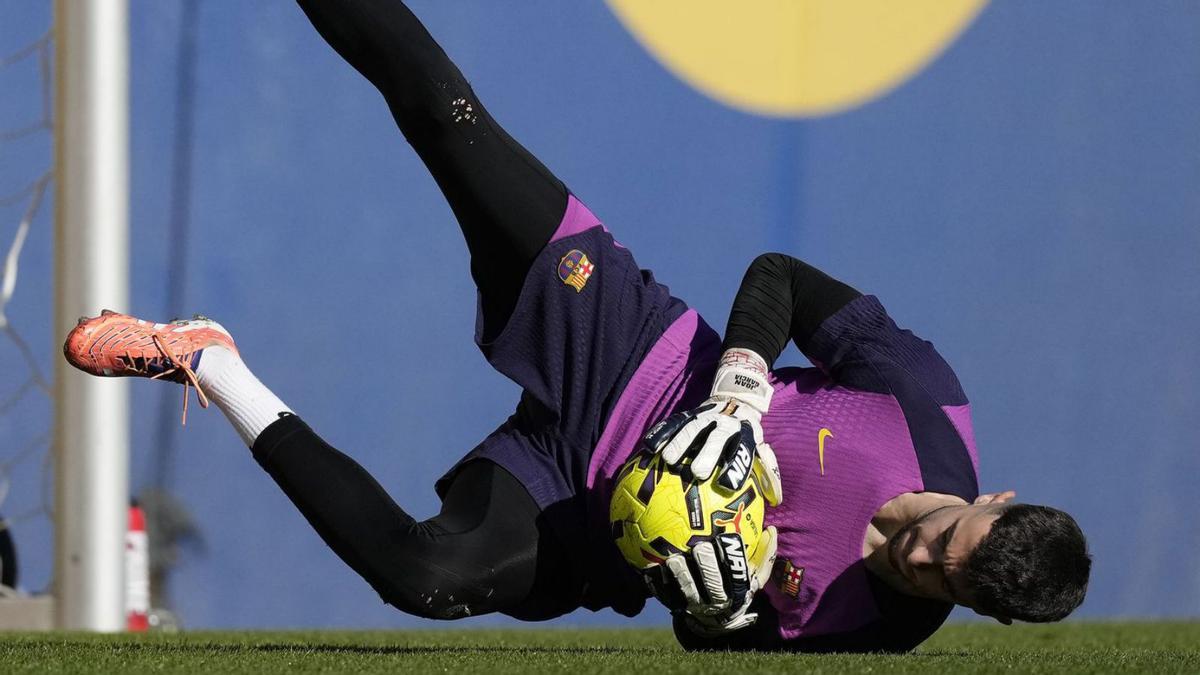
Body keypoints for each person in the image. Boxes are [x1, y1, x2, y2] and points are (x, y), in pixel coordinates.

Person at [62, 0, 1090, 652]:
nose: (918, 559)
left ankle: (211, 362)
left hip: (591, 514)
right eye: (944, 540)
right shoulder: (923, 404)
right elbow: (781, 275)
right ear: (989, 498)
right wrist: (738, 388)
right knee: (445, 114)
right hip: (627, 347)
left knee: (424, 577)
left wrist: (723, 616)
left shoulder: (877, 627)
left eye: (943, 581)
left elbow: (714, 644)